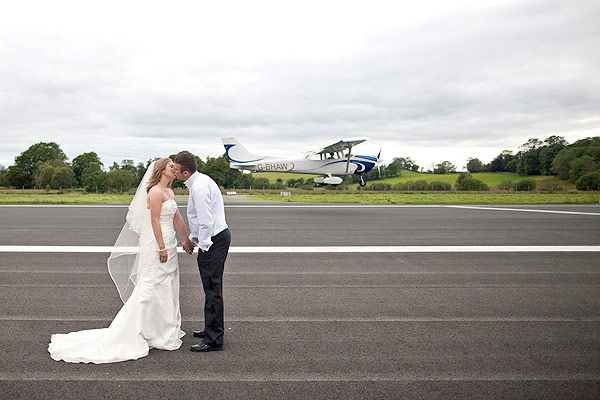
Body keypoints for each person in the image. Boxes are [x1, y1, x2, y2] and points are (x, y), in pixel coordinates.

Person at [48, 158, 192, 363]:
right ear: (162, 170)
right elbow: (154, 221)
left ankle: (162, 330)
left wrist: (185, 238)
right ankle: (137, 330)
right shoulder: (155, 192)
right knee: (150, 285)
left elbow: (177, 217)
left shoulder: (169, 192)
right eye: (171, 167)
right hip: (158, 242)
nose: (175, 169)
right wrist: (161, 246)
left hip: (170, 241)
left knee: (168, 284)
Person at [173, 152, 230, 352]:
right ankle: (210, 329)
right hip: (213, 237)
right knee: (210, 288)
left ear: (185, 172)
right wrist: (193, 240)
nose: (173, 171)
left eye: (176, 169)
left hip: (214, 240)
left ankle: (214, 339)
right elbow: (201, 220)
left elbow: (205, 221)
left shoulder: (198, 187)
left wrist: (203, 245)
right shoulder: (200, 181)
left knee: (212, 288)